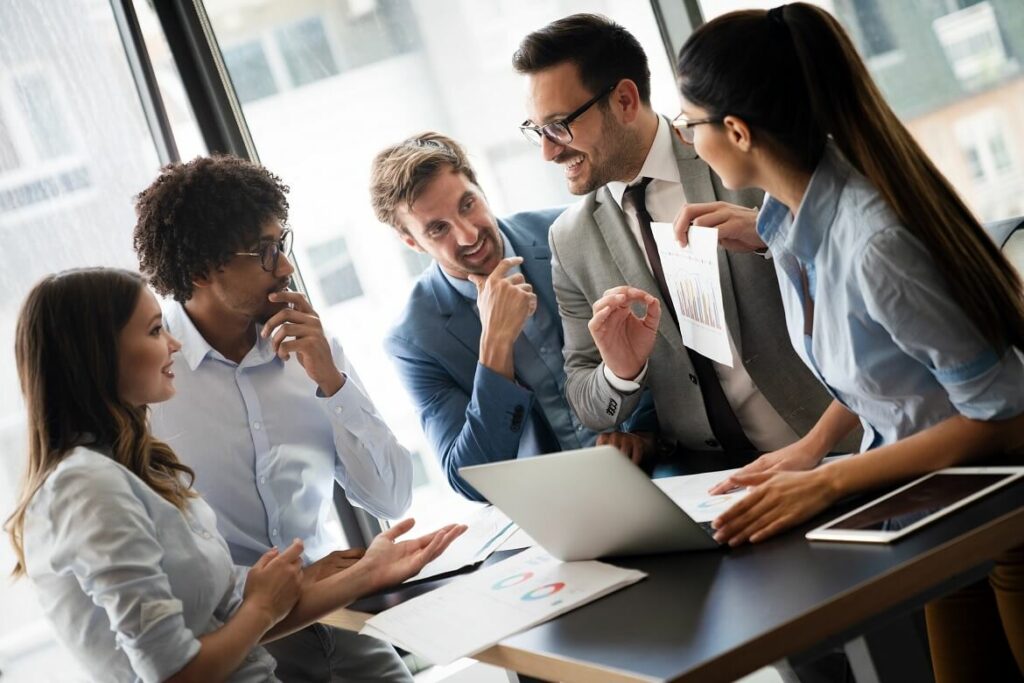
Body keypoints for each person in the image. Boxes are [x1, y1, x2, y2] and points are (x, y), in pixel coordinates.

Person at [671, 4, 1024, 680]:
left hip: (1003, 503)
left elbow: (1004, 414)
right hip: (936, 497)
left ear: (737, 131)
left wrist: (833, 477)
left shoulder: (871, 245)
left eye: (690, 125)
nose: (690, 140)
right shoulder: (796, 225)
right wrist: (810, 449)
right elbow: (888, 374)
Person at [3, 267, 464, 682]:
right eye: (154, 330)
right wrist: (263, 604)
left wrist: (366, 574)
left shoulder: (133, 466)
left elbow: (237, 617)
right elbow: (174, 673)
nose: (173, 344)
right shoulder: (86, 487)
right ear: (96, 356)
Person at [513, 14, 848, 474]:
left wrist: (770, 235)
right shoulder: (571, 239)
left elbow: (857, 272)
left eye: (559, 126)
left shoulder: (738, 150)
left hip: (838, 447)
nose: (548, 151)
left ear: (626, 100)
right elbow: (587, 404)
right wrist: (620, 373)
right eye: (537, 131)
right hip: (712, 483)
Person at [133, 156, 415, 681]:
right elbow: (157, 567)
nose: (284, 266)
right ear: (200, 269)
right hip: (238, 644)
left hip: (342, 619)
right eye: (263, 252)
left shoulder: (313, 350)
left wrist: (332, 382)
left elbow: (392, 497)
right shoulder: (150, 379)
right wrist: (290, 587)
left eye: (280, 244)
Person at [371, 133, 658, 500]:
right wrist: (495, 343)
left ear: (481, 188)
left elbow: (656, 339)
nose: (468, 234)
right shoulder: (413, 339)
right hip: (548, 510)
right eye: (438, 228)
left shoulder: (569, 233)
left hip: (652, 474)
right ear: (411, 242)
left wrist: (644, 433)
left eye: (467, 204)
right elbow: (470, 479)